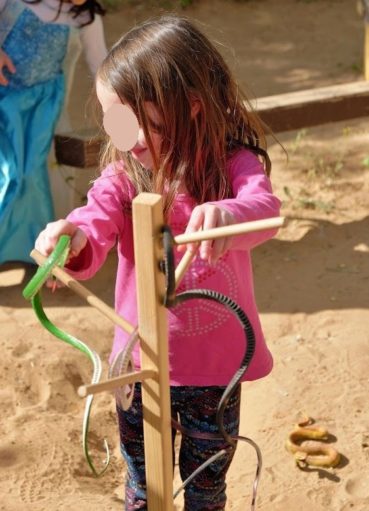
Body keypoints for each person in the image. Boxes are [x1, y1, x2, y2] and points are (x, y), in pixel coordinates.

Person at [35, 15, 281, 511]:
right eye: (112, 119)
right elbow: (93, 219)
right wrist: (71, 237)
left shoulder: (235, 166)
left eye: (129, 118)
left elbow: (265, 212)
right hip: (138, 368)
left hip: (214, 374)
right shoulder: (123, 174)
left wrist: (226, 212)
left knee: (206, 488)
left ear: (189, 106)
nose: (120, 133)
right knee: (144, 489)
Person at [0, 0, 107, 265]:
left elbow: (103, 71)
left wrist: (126, 125)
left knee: (30, 173)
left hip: (43, 106)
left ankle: (34, 253)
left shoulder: (85, 18)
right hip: (4, 101)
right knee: (8, 173)